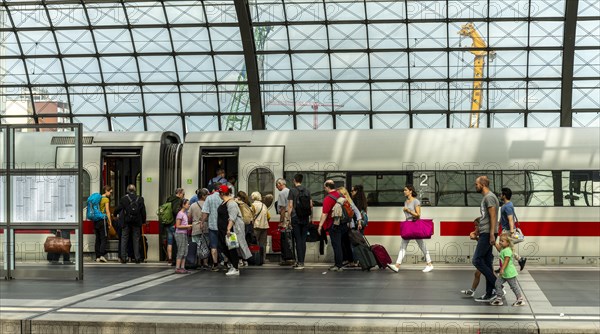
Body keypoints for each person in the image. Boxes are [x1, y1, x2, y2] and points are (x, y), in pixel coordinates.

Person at [388, 185, 433, 273]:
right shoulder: (406, 201)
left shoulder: (415, 201)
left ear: (410, 191)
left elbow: (418, 215)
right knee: (404, 245)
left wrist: (409, 211)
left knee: (421, 245)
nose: (404, 192)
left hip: (414, 224)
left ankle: (429, 264)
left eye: (405, 190)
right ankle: (397, 265)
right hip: (409, 225)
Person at [472, 176, 500, 303]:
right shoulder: (487, 197)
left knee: (476, 260)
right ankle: (490, 293)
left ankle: (497, 284)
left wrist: (492, 234)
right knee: (487, 263)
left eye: (476, 184)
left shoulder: (489, 197)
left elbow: (493, 216)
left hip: (488, 233)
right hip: (486, 232)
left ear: (482, 184)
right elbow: (486, 217)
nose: (475, 186)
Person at [216, 185, 251, 276]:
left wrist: (228, 229)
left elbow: (232, 217)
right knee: (223, 247)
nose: (218, 194)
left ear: (222, 193)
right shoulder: (224, 202)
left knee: (231, 248)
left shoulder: (231, 203)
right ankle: (233, 264)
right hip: (222, 229)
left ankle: (235, 267)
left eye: (219, 192)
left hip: (229, 230)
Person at [491, 233, 525, 306]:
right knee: (497, 284)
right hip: (504, 274)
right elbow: (499, 249)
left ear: (508, 243)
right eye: (500, 240)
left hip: (509, 273)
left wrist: (502, 269)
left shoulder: (507, 250)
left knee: (513, 286)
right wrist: (494, 243)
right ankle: (499, 298)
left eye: (502, 241)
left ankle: (520, 299)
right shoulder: (504, 249)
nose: (500, 242)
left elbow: (506, 260)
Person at [318, 180, 345, 271]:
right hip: (343, 223)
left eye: (324, 187)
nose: (324, 188)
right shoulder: (341, 195)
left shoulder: (328, 198)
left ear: (328, 187)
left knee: (336, 245)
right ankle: (340, 263)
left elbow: (325, 214)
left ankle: (338, 265)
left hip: (334, 224)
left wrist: (320, 226)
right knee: (340, 244)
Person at [115, 184, 146, 264]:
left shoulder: (124, 199)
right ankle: (137, 258)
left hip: (126, 221)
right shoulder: (140, 199)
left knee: (124, 238)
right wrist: (143, 221)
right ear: (135, 190)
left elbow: (118, 208)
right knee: (136, 239)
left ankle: (123, 258)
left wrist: (114, 215)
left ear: (127, 190)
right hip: (136, 222)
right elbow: (143, 211)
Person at [287, 173, 312, 270]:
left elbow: (290, 206)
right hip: (305, 218)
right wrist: (311, 218)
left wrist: (288, 218)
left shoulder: (292, 191)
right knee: (303, 240)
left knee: (298, 240)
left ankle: (300, 262)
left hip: (295, 217)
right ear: (301, 180)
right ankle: (302, 261)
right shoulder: (307, 191)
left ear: (294, 180)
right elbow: (310, 205)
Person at [499, 187, 527, 271]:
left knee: (503, 247)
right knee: (507, 248)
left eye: (501, 194)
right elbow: (504, 217)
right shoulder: (505, 205)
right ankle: (520, 259)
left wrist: (511, 232)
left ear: (504, 195)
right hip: (506, 230)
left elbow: (510, 219)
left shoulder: (508, 206)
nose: (500, 195)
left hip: (508, 231)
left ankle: (505, 266)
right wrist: (498, 223)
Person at [201, 182, 224, 272]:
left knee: (213, 246)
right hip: (223, 226)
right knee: (225, 245)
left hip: (212, 226)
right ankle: (225, 262)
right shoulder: (224, 197)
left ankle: (215, 264)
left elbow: (205, 212)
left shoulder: (209, 198)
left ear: (213, 189)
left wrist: (202, 222)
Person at [338, 187, 361, 267]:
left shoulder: (342, 201)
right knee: (347, 243)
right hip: (350, 225)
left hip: (345, 224)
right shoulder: (350, 201)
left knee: (344, 243)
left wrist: (359, 222)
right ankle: (350, 260)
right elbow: (357, 212)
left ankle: (348, 260)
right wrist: (359, 222)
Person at [461, 218, 482, 297]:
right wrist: (475, 236)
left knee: (489, 274)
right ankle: (472, 290)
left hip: (484, 256)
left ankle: (500, 287)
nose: (475, 227)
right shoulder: (481, 233)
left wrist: (475, 236)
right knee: (477, 274)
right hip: (482, 256)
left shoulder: (485, 234)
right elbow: (474, 237)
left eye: (476, 225)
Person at [190, 188, 210, 270]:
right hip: (205, 226)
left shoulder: (193, 205)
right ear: (203, 196)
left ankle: (198, 262)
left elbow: (189, 216)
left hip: (195, 227)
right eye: (206, 195)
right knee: (205, 245)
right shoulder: (207, 204)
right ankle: (205, 263)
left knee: (197, 245)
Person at [164, 188, 184, 265]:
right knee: (177, 242)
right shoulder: (178, 200)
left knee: (169, 242)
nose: (183, 195)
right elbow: (175, 211)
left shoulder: (169, 199)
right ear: (179, 193)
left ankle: (169, 259)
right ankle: (176, 258)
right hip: (174, 224)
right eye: (183, 194)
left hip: (168, 223)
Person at [94, 185, 113, 263]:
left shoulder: (97, 198)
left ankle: (97, 256)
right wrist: (110, 222)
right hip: (103, 220)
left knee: (97, 238)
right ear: (106, 191)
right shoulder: (105, 199)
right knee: (103, 238)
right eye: (110, 192)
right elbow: (108, 211)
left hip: (96, 220)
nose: (110, 194)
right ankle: (102, 255)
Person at [174, 199, 192, 273]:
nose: (189, 205)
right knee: (181, 250)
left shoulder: (184, 213)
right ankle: (178, 268)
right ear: (183, 205)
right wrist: (188, 226)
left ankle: (182, 267)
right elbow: (178, 226)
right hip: (180, 234)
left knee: (185, 251)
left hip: (184, 233)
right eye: (188, 204)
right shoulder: (180, 214)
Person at [251, 191, 269, 264]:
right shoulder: (264, 205)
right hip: (264, 226)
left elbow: (251, 216)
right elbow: (268, 216)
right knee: (263, 244)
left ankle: (255, 258)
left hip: (256, 226)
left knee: (255, 243)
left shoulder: (252, 205)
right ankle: (263, 259)